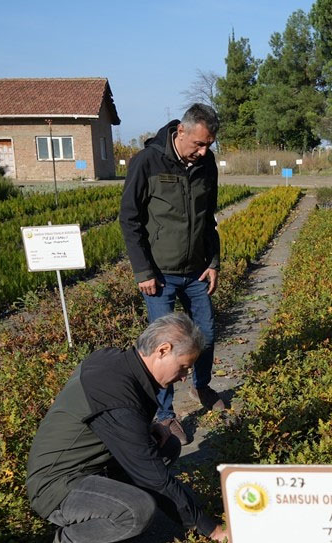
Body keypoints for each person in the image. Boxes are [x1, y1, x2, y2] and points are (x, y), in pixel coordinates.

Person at [26, 313, 229, 543]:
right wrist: (211, 530)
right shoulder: (115, 393)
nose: (185, 376)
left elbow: (111, 420)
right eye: (184, 366)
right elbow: (153, 475)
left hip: (90, 467)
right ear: (162, 350)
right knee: (138, 510)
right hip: (57, 487)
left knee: (167, 445)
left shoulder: (116, 362)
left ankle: (112, 505)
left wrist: (146, 428)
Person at [120, 103, 225, 445]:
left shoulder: (207, 164)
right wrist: (143, 270)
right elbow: (130, 220)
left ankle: (201, 386)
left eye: (208, 144)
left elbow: (209, 217)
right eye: (198, 144)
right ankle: (165, 415)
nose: (203, 151)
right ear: (180, 131)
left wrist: (213, 262)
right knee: (164, 349)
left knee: (205, 331)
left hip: (196, 270)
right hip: (159, 276)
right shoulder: (146, 161)